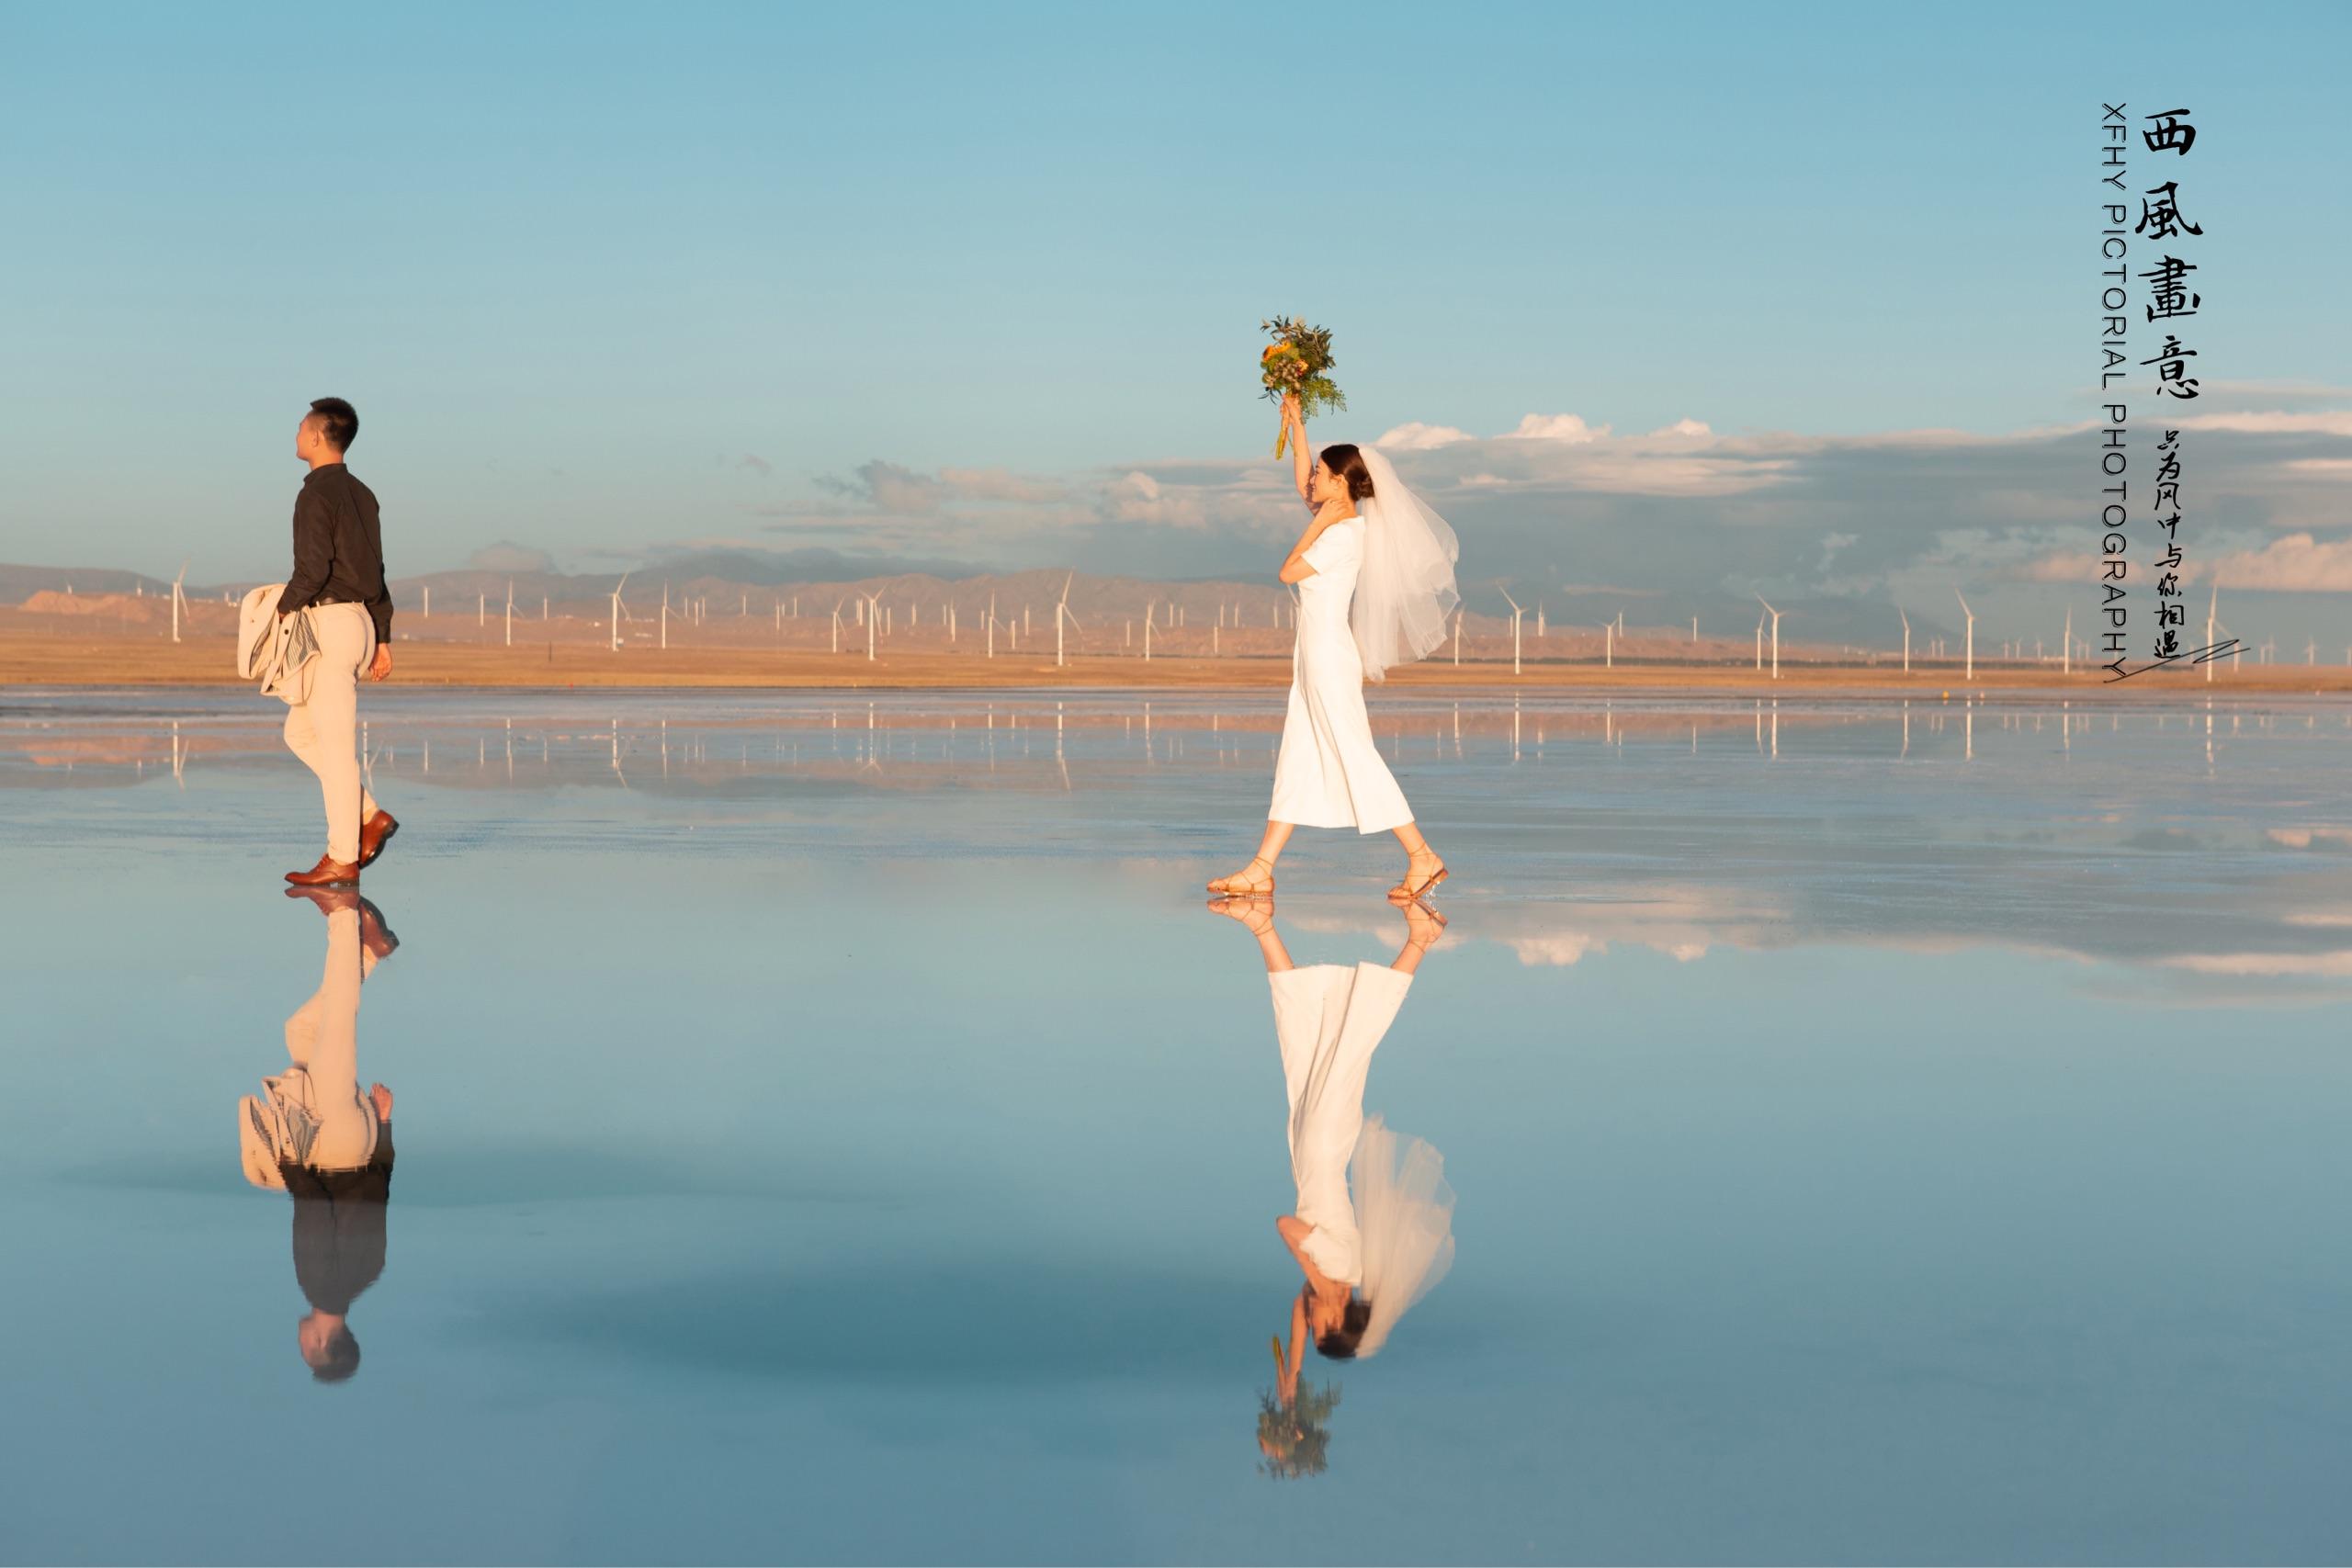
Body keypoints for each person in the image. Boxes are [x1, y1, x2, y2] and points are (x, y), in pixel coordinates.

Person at [1208, 391, 1460, 902]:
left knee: (1353, 751)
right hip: (1312, 652)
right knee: (1299, 750)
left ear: (1341, 483)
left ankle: (1422, 856)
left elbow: (1287, 572)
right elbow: (1301, 477)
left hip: (1328, 655)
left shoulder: (1343, 533)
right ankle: (1262, 866)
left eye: (1322, 473)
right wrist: (1297, 425)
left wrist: (1315, 523)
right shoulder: (1337, 519)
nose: (1312, 480)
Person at [1209, 892, 1457, 1366]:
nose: (1310, 1313)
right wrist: (1318, 1283)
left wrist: (1293, 1373)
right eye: (1322, 1323)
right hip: (1324, 1145)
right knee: (1351, 1044)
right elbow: (1285, 1225)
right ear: (1340, 1318)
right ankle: (1421, 941)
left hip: (1310, 1149)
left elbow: (1299, 1313)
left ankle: (1261, 925)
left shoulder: (1329, 1278)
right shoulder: (1339, 1268)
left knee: (1298, 1044)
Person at [241, 886, 400, 1382]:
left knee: (303, 1033)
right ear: (323, 1343)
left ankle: (370, 954)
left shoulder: (370, 1274)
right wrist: (287, 1158)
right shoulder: (318, 1285)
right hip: (326, 1143)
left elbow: (380, 1191)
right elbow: (313, 1209)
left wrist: (385, 1123)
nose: (299, 1342)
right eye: (306, 1350)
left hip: (360, 1138)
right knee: (336, 1027)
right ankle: (342, 917)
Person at [277, 397, 398, 888]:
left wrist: (280, 612)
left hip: (330, 623)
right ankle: (369, 815)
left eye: (303, 425)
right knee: (300, 733)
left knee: (335, 745)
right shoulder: (363, 494)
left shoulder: (314, 496)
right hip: (360, 623)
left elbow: (313, 570)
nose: (297, 431)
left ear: (318, 436)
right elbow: (377, 567)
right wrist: (382, 636)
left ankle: (342, 857)